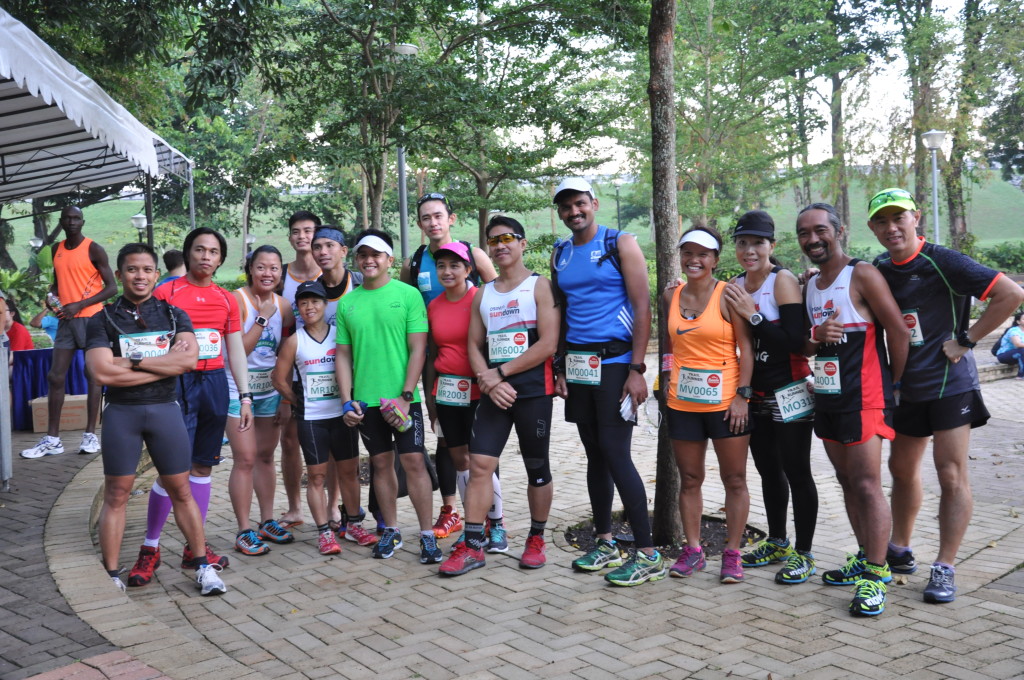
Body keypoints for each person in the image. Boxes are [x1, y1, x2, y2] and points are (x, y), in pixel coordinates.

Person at [867, 187, 1024, 603]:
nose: (891, 227)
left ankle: (945, 565)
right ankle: (899, 549)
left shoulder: (943, 260)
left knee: (950, 473)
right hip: (906, 388)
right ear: (872, 228)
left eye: (898, 217)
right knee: (901, 469)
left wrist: (967, 339)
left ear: (915, 217)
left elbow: (1011, 294)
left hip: (950, 384)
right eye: (882, 221)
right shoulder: (879, 267)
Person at [85, 243, 226, 596]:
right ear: (119, 275)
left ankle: (202, 567)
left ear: (156, 274)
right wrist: (162, 365)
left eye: (147, 269)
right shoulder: (101, 319)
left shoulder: (176, 315)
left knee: (181, 489)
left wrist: (128, 363)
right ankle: (113, 573)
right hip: (121, 413)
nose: (140, 276)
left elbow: (188, 362)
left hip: (166, 410)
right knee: (117, 494)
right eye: (132, 269)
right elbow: (101, 372)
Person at [550, 177, 665, 587]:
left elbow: (641, 305)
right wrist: (560, 366)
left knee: (617, 454)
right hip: (580, 368)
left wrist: (638, 369)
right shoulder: (560, 253)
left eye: (579, 203)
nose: (573, 212)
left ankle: (648, 553)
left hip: (616, 364)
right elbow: (562, 312)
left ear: (594, 203)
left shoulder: (622, 243)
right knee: (595, 454)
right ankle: (605, 542)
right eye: (565, 207)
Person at [798, 202, 909, 617]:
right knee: (846, 481)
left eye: (820, 230)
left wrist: (892, 385)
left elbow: (897, 330)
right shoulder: (809, 285)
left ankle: (877, 576)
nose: (813, 239)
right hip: (827, 397)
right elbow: (808, 344)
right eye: (804, 233)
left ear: (838, 230)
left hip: (865, 398)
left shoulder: (862, 274)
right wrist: (814, 335)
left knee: (866, 484)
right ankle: (865, 557)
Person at [126, 227, 252, 587]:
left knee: (202, 468)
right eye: (199, 250)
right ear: (188, 253)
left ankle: (192, 547)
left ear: (221, 259)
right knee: (170, 471)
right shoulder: (166, 291)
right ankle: (150, 547)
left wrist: (243, 395)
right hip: (174, 385)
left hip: (212, 384)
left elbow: (234, 350)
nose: (206, 257)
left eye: (214, 252)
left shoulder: (227, 299)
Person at [438, 217, 559, 576]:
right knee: (479, 465)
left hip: (533, 391)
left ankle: (536, 539)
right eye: (493, 240)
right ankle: (474, 546)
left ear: (522, 244)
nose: (500, 245)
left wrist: (501, 374)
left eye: (508, 238)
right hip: (495, 393)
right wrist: (488, 381)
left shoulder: (539, 286)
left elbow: (549, 344)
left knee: (536, 466)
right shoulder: (485, 292)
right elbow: (473, 344)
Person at [721, 211, 818, 585]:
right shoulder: (735, 284)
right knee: (767, 470)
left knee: (797, 471)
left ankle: (805, 553)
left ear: (771, 246)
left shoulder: (783, 281)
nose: (750, 250)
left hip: (791, 390)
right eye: (743, 243)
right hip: (755, 392)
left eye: (758, 243)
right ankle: (778, 540)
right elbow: (741, 345)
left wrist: (754, 315)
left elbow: (796, 344)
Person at [336, 229, 438, 563]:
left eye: (375, 255)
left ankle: (426, 536)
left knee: (414, 462)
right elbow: (344, 356)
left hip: (404, 399)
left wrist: (406, 397)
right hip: (367, 403)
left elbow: (418, 348)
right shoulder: (348, 303)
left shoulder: (408, 296)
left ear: (389, 261)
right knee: (380, 464)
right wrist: (347, 399)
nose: (368, 261)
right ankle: (391, 531)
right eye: (363, 255)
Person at [402, 192, 497, 539]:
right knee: (446, 442)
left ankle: (491, 519)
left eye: (438, 216)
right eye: (426, 217)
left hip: (475, 367)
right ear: (420, 224)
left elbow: (498, 293)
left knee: (482, 450)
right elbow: (409, 307)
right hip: (437, 367)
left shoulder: (473, 254)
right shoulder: (414, 262)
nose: (433, 222)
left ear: (451, 218)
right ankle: (451, 510)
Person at [661, 227, 753, 585]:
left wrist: (743, 396)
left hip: (727, 403)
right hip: (682, 403)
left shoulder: (729, 295)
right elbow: (670, 347)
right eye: (688, 253)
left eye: (703, 254)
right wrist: (665, 379)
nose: (694, 260)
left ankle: (731, 555)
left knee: (734, 479)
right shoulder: (672, 294)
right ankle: (694, 550)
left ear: (716, 260)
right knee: (690, 480)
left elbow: (746, 348)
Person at [273, 280, 375, 555]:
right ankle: (324, 532)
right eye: (303, 303)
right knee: (316, 476)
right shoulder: (295, 341)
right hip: (312, 420)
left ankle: (353, 524)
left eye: (315, 301)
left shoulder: (339, 335)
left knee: (349, 473)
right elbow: (278, 379)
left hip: (342, 417)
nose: (309, 307)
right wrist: (298, 401)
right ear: (298, 309)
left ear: (325, 304)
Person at [423, 242, 507, 551]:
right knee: (460, 461)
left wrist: (495, 380)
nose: (447, 271)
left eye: (454, 266)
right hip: (446, 391)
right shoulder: (434, 306)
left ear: (468, 270)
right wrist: (430, 399)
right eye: (442, 266)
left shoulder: (480, 298)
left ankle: (496, 525)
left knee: (481, 462)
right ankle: (474, 523)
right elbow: (433, 354)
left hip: (479, 390)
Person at [21, 206, 116, 459]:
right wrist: (52, 295)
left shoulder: (94, 249)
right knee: (55, 376)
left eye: (76, 218)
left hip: (91, 319)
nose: (72, 222)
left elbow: (112, 288)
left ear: (82, 221)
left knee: (93, 374)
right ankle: (53, 439)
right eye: (67, 218)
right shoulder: (57, 249)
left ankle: (90, 435)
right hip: (66, 320)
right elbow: (59, 282)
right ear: (61, 222)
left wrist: (80, 304)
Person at [227, 245, 296, 556]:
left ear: (281, 273)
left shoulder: (284, 306)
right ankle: (244, 529)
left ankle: (267, 520)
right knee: (244, 458)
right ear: (249, 269)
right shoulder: (236, 300)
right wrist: (261, 320)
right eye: (261, 267)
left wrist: (284, 398)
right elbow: (236, 351)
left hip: (269, 392)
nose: (268, 274)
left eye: (274, 268)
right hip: (237, 389)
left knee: (266, 457)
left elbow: (286, 354)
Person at [276, 210, 323, 529]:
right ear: (290, 237)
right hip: (288, 370)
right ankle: (294, 507)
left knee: (329, 442)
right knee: (289, 440)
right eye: (296, 231)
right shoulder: (280, 275)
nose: (302, 236)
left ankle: (332, 507)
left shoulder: (331, 271)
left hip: (325, 370)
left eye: (308, 231)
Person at [995, 312, 1024, 379]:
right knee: (1022, 350)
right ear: (1018, 321)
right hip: (1004, 356)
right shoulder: (1013, 331)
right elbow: (1018, 344)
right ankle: (1021, 375)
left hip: (1019, 356)